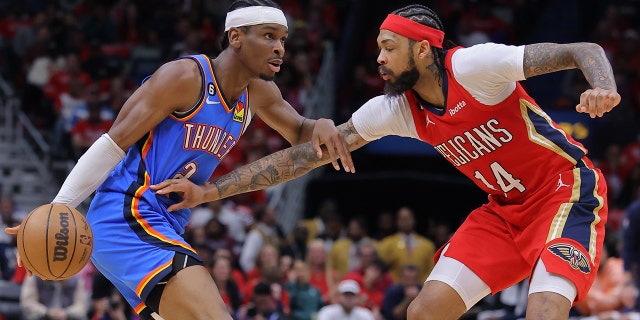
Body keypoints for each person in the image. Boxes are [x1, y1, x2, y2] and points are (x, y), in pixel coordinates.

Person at [151, 3, 622, 319]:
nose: (378, 58)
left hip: (566, 191)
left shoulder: (475, 67)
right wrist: (211, 191)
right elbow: (304, 157)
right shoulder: (394, 108)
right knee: (424, 312)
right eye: (377, 47)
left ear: (422, 49)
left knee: (543, 309)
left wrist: (602, 85)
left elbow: (583, 50)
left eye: (389, 48)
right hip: (503, 210)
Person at [5, 1, 354, 319]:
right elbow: (113, 143)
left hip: (165, 224)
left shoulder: (259, 92)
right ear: (235, 37)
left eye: (283, 39)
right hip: (127, 215)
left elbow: (301, 133)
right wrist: (60, 206)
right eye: (268, 36)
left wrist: (322, 123)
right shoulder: (185, 78)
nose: (280, 48)